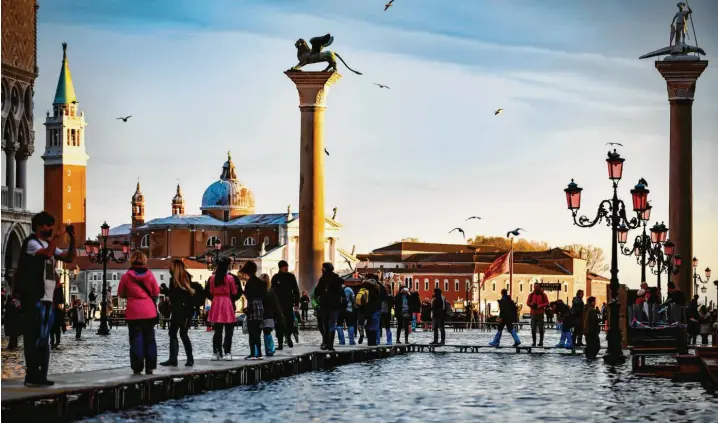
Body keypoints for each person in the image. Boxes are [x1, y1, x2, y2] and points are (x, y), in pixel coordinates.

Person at [12, 211, 77, 387]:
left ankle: (42, 375)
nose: (50, 228)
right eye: (47, 225)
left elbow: (68, 258)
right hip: (34, 297)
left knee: (44, 338)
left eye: (51, 225)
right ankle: (32, 375)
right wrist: (55, 237)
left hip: (48, 298)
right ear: (39, 227)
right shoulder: (31, 243)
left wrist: (72, 239)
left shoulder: (47, 244)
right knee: (33, 337)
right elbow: (47, 254)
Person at [117, 250, 160, 375]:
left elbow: (121, 293)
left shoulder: (126, 276)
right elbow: (156, 292)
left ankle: (137, 366)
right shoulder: (150, 275)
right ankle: (150, 366)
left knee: (136, 339)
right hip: (149, 312)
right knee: (150, 339)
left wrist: (131, 295)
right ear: (144, 260)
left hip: (134, 312)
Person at [159, 259, 198, 367]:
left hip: (179, 311)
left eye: (170, 267)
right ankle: (189, 359)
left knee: (173, 334)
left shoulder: (175, 280)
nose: (169, 269)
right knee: (183, 334)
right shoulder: (186, 279)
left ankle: (173, 359)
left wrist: (165, 290)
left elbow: (174, 295)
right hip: (187, 311)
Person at [207, 257, 238, 361]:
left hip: (216, 302)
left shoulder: (212, 278)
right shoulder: (229, 278)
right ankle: (227, 352)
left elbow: (211, 291)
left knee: (217, 330)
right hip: (226, 302)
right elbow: (234, 292)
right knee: (229, 330)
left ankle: (215, 352)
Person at [271, 260, 299, 349]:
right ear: (282, 267)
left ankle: (285, 339)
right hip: (282, 304)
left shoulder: (287, 277)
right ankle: (284, 340)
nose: (287, 268)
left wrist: (296, 303)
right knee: (284, 323)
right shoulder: (280, 277)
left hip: (283, 304)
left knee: (284, 323)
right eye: (285, 266)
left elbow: (296, 290)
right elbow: (296, 290)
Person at [315, 263, 344, 351]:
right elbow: (340, 292)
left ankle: (325, 343)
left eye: (322, 268)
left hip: (324, 305)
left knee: (325, 325)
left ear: (325, 269)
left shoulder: (322, 279)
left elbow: (317, 292)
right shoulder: (337, 279)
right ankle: (330, 345)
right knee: (332, 324)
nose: (321, 269)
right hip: (335, 306)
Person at [242, 261, 266, 360]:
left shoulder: (249, 283)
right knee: (258, 331)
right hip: (260, 307)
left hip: (252, 306)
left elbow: (248, 295)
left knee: (252, 332)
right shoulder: (261, 282)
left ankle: (252, 353)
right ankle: (259, 353)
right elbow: (263, 294)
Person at [261, 273, 284, 357]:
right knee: (267, 332)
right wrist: (280, 316)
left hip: (260, 314)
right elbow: (276, 305)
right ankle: (270, 350)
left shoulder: (259, 292)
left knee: (258, 334)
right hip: (268, 315)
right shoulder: (271, 292)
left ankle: (257, 351)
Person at [363, 277, 382, 346]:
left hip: (369, 310)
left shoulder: (367, 291)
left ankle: (370, 342)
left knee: (369, 326)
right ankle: (373, 342)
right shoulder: (377, 290)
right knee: (374, 327)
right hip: (375, 310)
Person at [50, 278, 65, 350]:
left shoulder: (59, 286)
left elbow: (61, 297)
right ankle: (53, 342)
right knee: (52, 330)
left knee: (57, 330)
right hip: (51, 306)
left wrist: (60, 304)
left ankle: (56, 342)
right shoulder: (50, 284)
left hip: (56, 309)